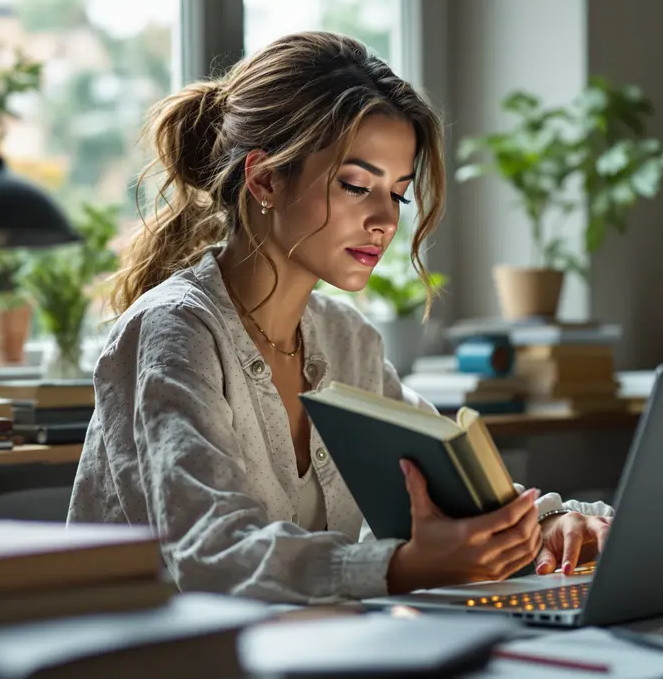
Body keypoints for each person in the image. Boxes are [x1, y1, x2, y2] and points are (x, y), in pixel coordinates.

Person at [66, 31, 614, 605]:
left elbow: (454, 477)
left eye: (399, 194)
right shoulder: (176, 330)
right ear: (264, 180)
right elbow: (212, 554)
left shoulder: (344, 337)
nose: (383, 220)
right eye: (356, 185)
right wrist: (400, 568)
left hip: (296, 650)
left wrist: (543, 527)